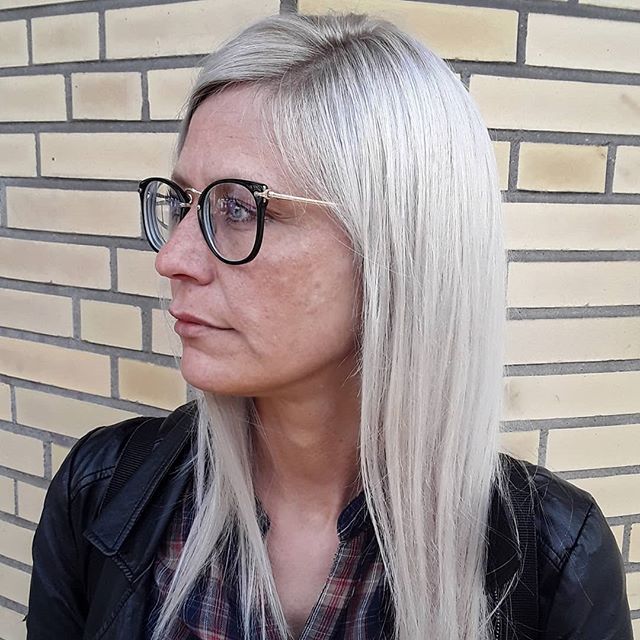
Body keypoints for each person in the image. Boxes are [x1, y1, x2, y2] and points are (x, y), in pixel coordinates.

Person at [25, 11, 632, 640]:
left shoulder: (553, 564)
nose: (172, 258)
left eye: (237, 209)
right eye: (182, 204)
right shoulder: (100, 493)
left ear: (395, 248)